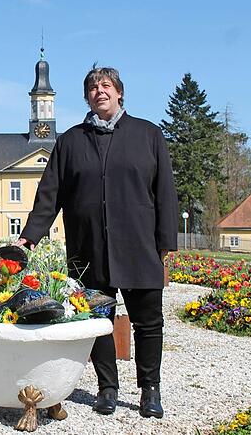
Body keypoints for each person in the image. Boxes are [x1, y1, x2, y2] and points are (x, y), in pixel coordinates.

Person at [15, 66, 178, 419]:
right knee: (98, 320)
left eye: (106, 85)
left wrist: (166, 241)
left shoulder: (148, 135)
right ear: (87, 97)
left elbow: (165, 192)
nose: (99, 91)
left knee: (149, 323)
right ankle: (107, 388)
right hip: (89, 249)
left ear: (120, 93)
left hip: (140, 248)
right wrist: (29, 236)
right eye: (92, 87)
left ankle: (150, 389)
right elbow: (50, 194)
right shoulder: (71, 141)